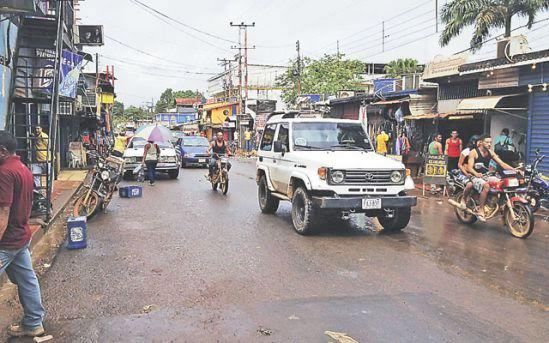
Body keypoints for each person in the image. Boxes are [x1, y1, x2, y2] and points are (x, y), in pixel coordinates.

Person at [0, 131, 46, 338]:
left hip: (7, 241)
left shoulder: (5, 172)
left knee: (28, 280)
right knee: (28, 280)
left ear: (2, 151)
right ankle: (34, 323)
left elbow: (3, 211)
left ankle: (34, 322)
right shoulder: (23, 168)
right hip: (20, 237)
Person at [467, 134, 516, 221]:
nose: (489, 144)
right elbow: (469, 167)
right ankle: (481, 209)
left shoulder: (490, 152)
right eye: (487, 142)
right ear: (481, 142)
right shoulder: (474, 152)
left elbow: (502, 163)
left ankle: (496, 205)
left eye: (490, 142)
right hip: (475, 176)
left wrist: (515, 170)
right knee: (486, 185)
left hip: (486, 175)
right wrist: (476, 173)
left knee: (502, 182)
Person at [457, 135, 481, 209]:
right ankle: (463, 199)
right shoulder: (466, 151)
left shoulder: (479, 152)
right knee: (470, 184)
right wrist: (466, 174)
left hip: (475, 174)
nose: (480, 143)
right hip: (464, 174)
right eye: (479, 142)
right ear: (474, 142)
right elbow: (459, 164)